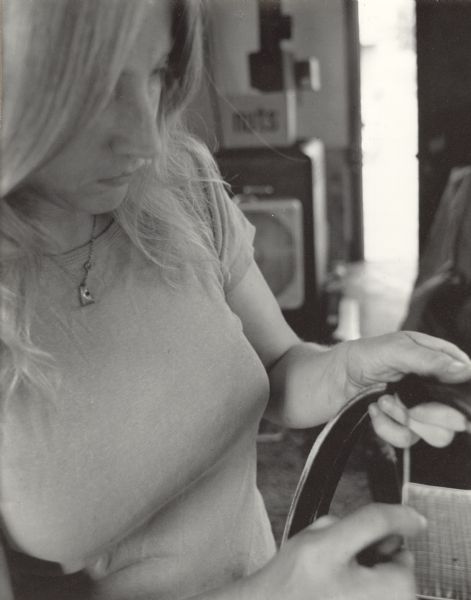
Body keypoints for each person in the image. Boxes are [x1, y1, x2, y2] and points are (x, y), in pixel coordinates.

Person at [1, 1, 470, 599]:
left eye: (157, 73)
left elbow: (276, 368)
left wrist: (349, 370)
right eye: (94, 87)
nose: (147, 137)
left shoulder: (180, 185)